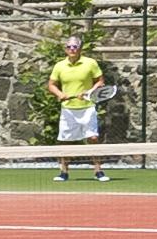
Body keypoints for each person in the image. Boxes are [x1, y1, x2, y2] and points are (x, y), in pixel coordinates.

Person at [47, 36, 113, 183]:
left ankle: (98, 171)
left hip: (88, 107)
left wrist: (89, 92)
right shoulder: (59, 66)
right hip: (68, 110)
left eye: (75, 47)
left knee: (93, 138)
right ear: (65, 49)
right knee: (65, 141)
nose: (72, 49)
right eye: (69, 47)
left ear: (80, 49)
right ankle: (63, 172)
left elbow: (100, 81)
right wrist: (60, 94)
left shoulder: (90, 63)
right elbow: (51, 84)